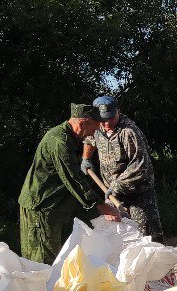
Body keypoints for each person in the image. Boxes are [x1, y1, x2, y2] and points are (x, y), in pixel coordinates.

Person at [18, 104, 120, 264]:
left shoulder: (71, 138)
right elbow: (74, 179)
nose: (94, 133)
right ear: (82, 123)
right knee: (42, 260)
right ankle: (42, 289)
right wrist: (103, 207)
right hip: (42, 207)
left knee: (61, 256)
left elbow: (78, 177)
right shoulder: (59, 142)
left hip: (56, 206)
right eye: (94, 128)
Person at [82, 96, 165, 241]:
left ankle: (155, 263)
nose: (107, 123)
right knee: (115, 237)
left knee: (147, 237)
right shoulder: (97, 128)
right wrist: (86, 159)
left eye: (110, 118)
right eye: (103, 120)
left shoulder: (129, 131)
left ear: (117, 112)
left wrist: (117, 186)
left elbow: (139, 166)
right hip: (111, 194)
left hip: (138, 194)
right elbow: (89, 141)